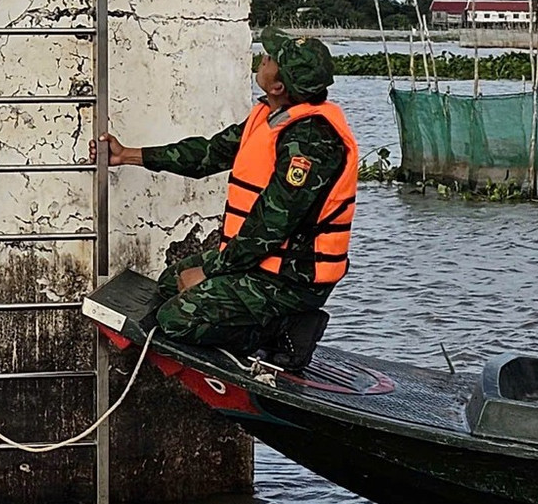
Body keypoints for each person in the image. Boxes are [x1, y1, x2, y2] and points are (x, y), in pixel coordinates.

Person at [98, 28, 357, 364]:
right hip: (262, 264)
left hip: (293, 280)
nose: (260, 59)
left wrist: (212, 272)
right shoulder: (270, 116)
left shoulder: (310, 143)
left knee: (176, 319)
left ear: (279, 86)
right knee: (169, 284)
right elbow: (207, 154)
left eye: (268, 58)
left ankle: (286, 327)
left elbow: (269, 227)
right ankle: (261, 321)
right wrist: (129, 155)